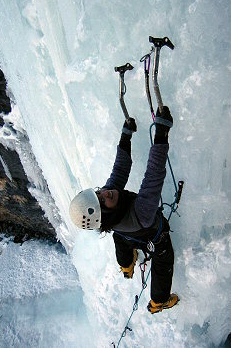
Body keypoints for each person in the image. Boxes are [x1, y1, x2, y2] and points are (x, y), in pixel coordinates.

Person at [69, 106, 179, 314]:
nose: (106, 194)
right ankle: (159, 302)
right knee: (163, 263)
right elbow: (153, 175)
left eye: (98, 193)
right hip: (153, 236)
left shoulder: (109, 201)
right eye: (102, 202)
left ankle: (127, 266)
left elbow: (119, 169)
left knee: (120, 239)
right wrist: (162, 133)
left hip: (126, 234)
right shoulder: (142, 215)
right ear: (105, 215)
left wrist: (125, 136)